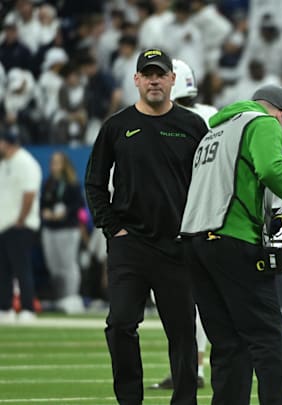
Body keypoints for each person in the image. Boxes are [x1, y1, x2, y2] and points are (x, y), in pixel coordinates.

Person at [84, 48, 207, 405]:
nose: (154, 80)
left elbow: (208, 183)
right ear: (136, 79)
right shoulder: (116, 126)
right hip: (130, 244)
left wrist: (198, 232)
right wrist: (112, 228)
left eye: (160, 74)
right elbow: (94, 182)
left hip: (178, 245)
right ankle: (129, 400)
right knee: (120, 324)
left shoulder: (193, 126)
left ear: (172, 79)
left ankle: (184, 401)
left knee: (183, 332)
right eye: (147, 74)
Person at [180, 84, 282, 405]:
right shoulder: (262, 123)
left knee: (226, 343)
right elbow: (270, 168)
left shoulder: (216, 130)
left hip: (194, 241)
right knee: (267, 337)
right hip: (232, 237)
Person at [150, 58, 215, 391]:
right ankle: (197, 365)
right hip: (207, 216)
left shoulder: (181, 119)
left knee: (183, 297)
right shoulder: (212, 115)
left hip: (184, 218)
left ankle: (192, 367)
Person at [0, 128, 41, 323]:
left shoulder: (26, 163)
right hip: (4, 225)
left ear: (6, 143)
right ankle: (5, 307)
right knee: (4, 270)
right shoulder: (4, 163)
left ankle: (27, 308)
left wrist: (21, 219)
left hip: (20, 226)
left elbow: (29, 193)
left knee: (22, 268)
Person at [40, 151, 85, 314]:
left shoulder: (72, 184)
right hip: (50, 229)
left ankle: (71, 297)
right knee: (54, 266)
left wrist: (64, 213)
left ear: (64, 165)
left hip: (68, 229)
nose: (54, 165)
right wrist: (46, 212)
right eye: (52, 162)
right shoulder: (48, 183)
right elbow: (43, 203)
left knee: (68, 264)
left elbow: (78, 206)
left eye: (57, 162)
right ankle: (60, 297)